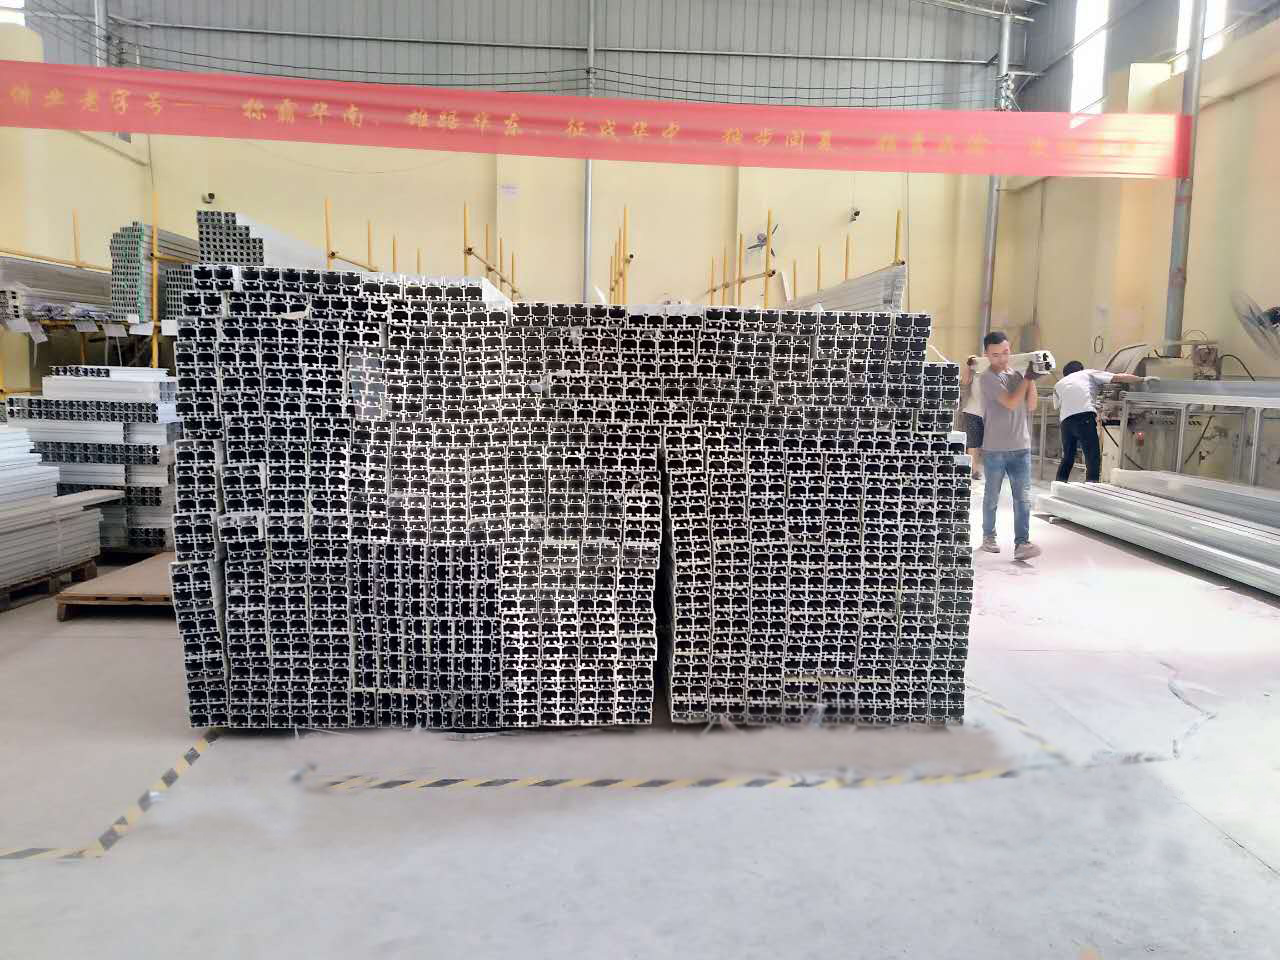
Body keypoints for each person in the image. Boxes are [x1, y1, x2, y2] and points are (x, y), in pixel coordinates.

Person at [978, 331, 1042, 561]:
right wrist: (1026, 379)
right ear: (987, 355)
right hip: (995, 448)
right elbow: (1011, 402)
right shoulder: (987, 378)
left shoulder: (1016, 375)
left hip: (1021, 447)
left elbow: (1031, 405)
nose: (1002, 359)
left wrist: (1031, 379)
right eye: (995, 355)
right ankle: (988, 536)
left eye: (1005, 353)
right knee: (992, 497)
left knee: (1023, 498)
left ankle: (1022, 543)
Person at [1053, 361, 1152, 483]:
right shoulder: (1087, 373)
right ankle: (1092, 486)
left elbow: (1057, 406)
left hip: (1065, 422)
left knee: (1067, 458)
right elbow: (1118, 377)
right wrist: (1142, 379)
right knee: (1092, 457)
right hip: (1084, 418)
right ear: (1081, 369)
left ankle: (1058, 485)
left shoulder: (1058, 384)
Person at [957, 357, 984, 481]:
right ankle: (974, 470)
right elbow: (965, 381)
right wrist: (968, 365)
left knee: (988, 444)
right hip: (972, 411)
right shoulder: (976, 366)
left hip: (991, 414)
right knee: (973, 443)